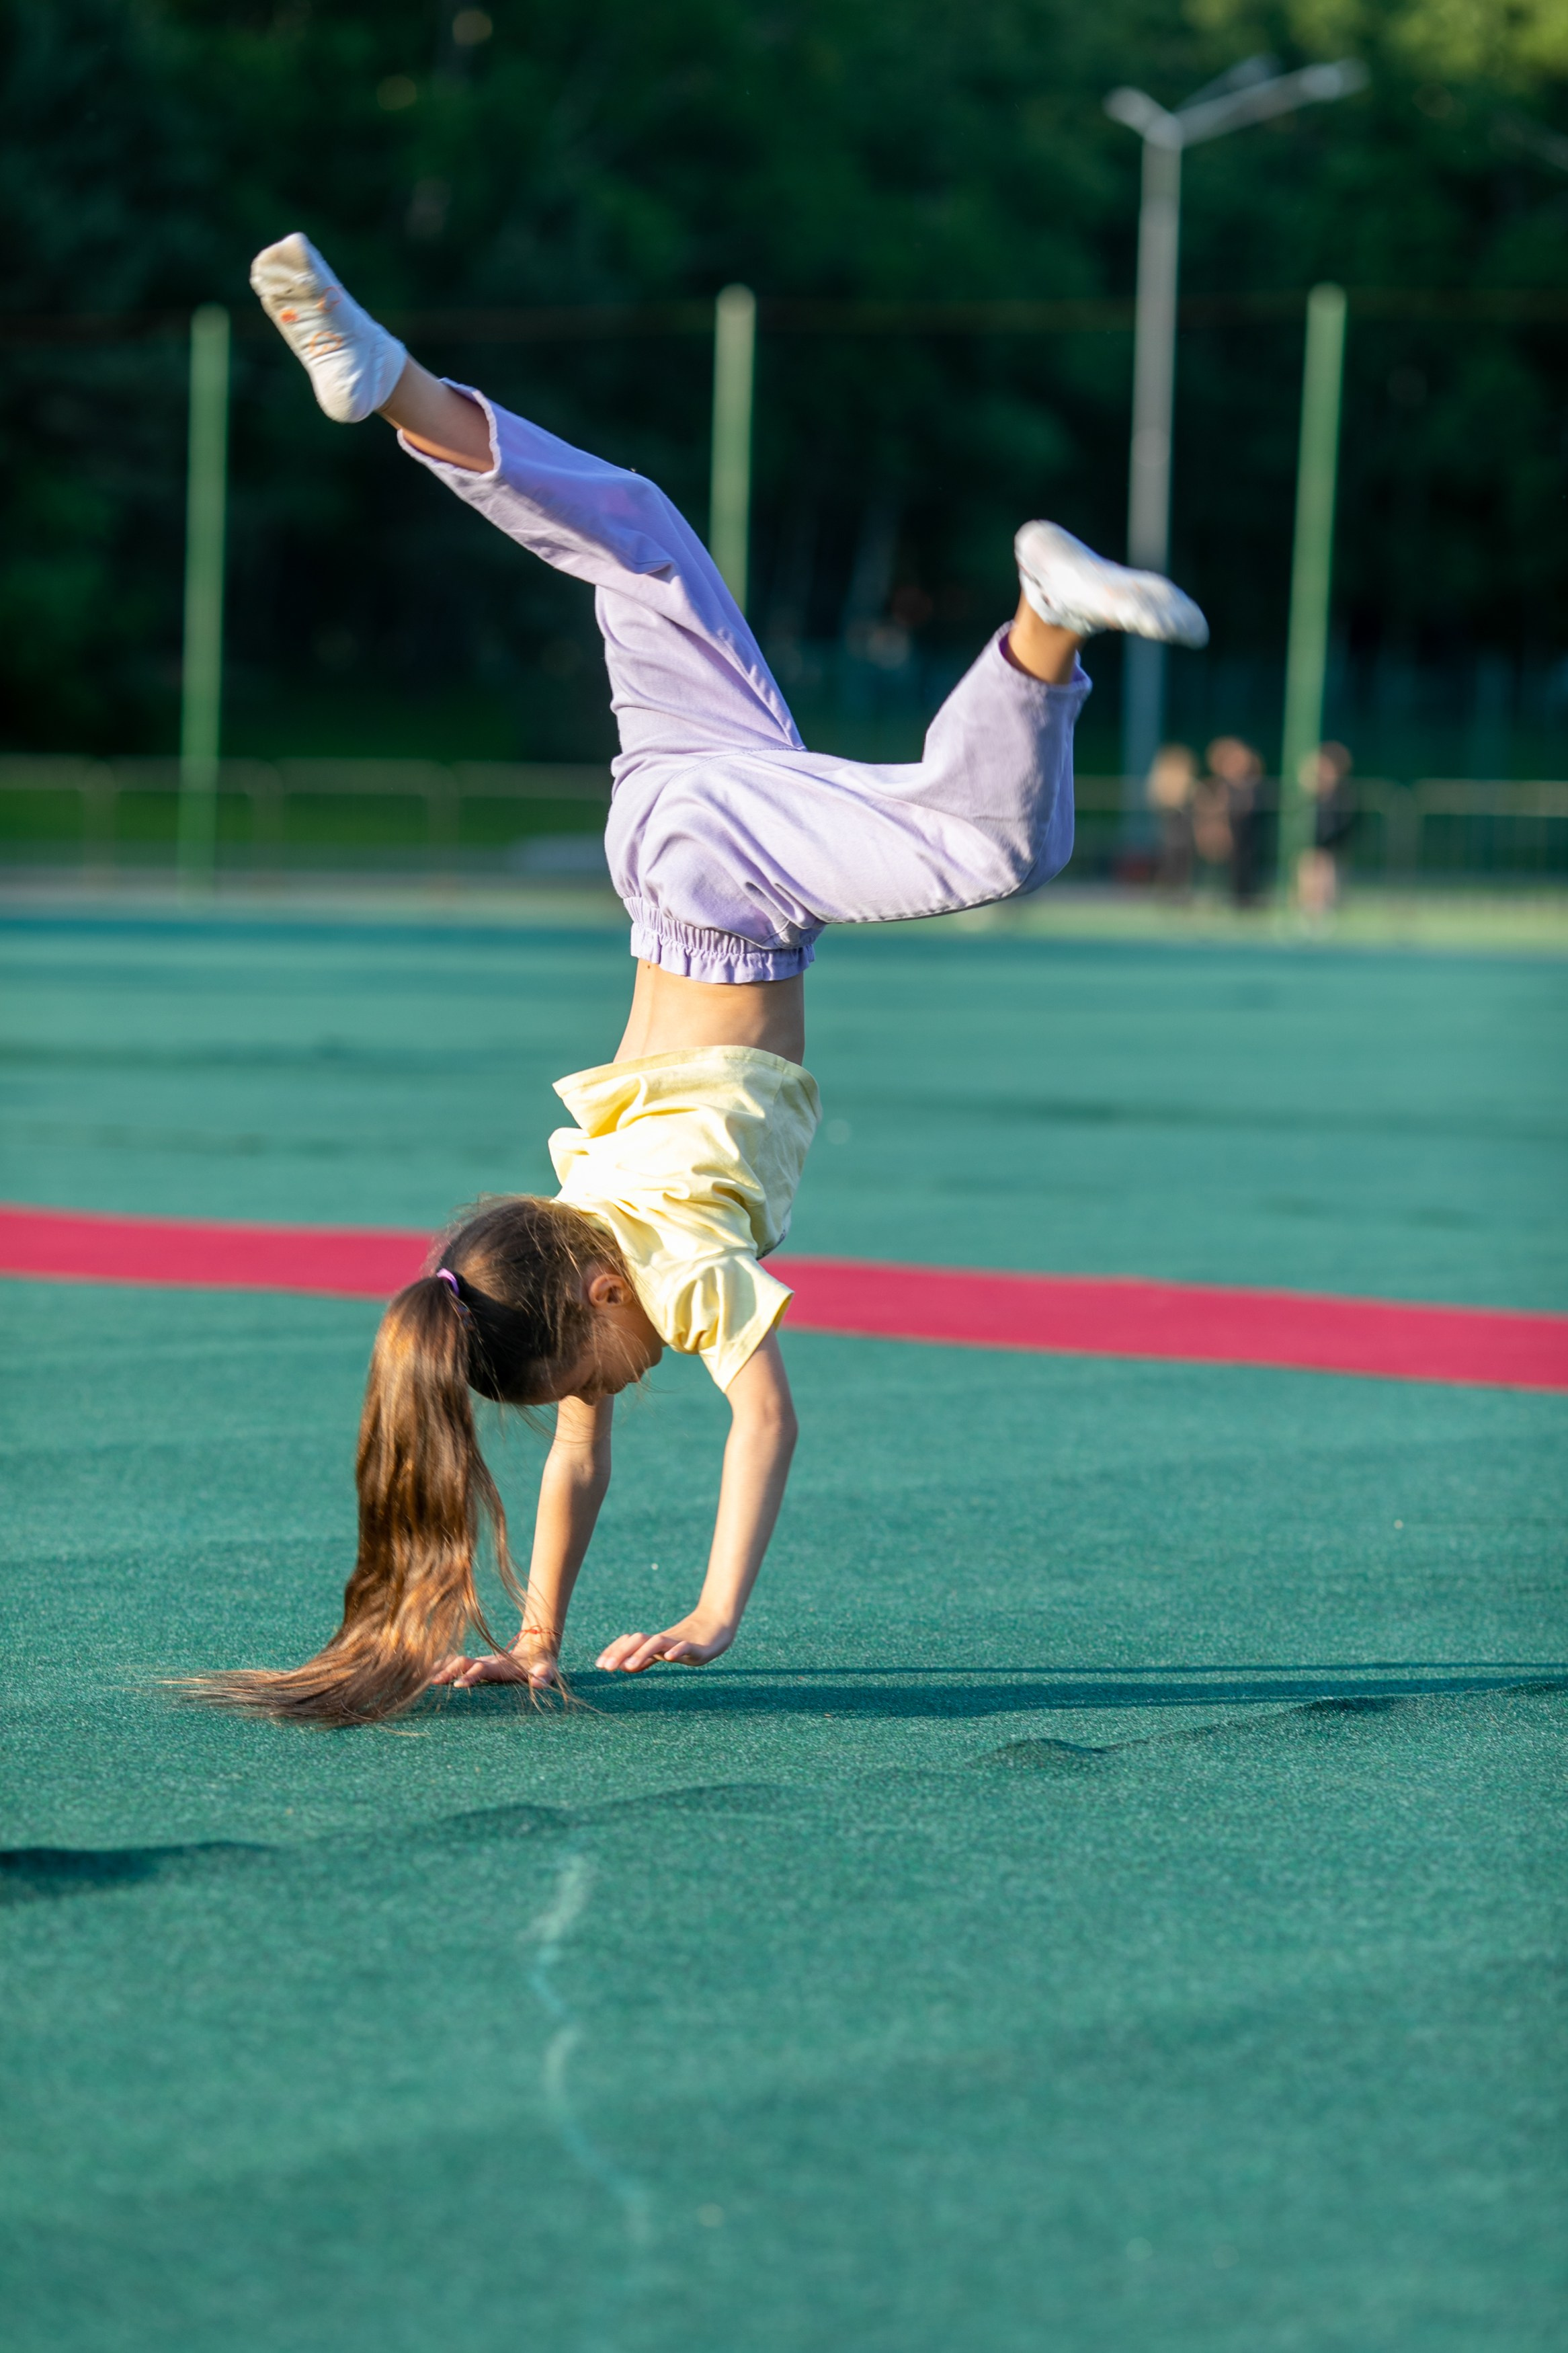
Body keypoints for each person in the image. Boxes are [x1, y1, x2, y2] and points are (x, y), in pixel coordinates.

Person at [198, 233, 1207, 1725]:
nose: (599, 1403)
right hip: (675, 817)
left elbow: (765, 1419)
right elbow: (579, 1454)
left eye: (584, 1374)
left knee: (988, 847)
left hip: (724, 882)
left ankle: (1039, 623)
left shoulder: (661, 1267)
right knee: (636, 534)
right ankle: (390, 381)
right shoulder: (578, 1228)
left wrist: (717, 1610)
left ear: (595, 1291)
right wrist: (535, 1633)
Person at [1295, 741, 1355, 920]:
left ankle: (1323, 909)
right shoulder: (1316, 790)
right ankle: (1308, 909)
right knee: (1307, 870)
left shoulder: (1340, 792)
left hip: (1328, 841)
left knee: (1324, 874)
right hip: (1315, 840)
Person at [1204, 735, 1266, 907]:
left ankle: (1248, 897)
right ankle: (1230, 897)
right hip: (1229, 834)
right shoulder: (1220, 786)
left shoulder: (1252, 785)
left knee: (1249, 865)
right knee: (1226, 867)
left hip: (1249, 834)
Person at [1145, 742, 1198, 897]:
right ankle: (1168, 891)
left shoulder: (1187, 781)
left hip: (1183, 827)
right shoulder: (1165, 781)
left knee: (1182, 860)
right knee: (1172, 859)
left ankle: (1178, 891)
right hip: (1174, 827)